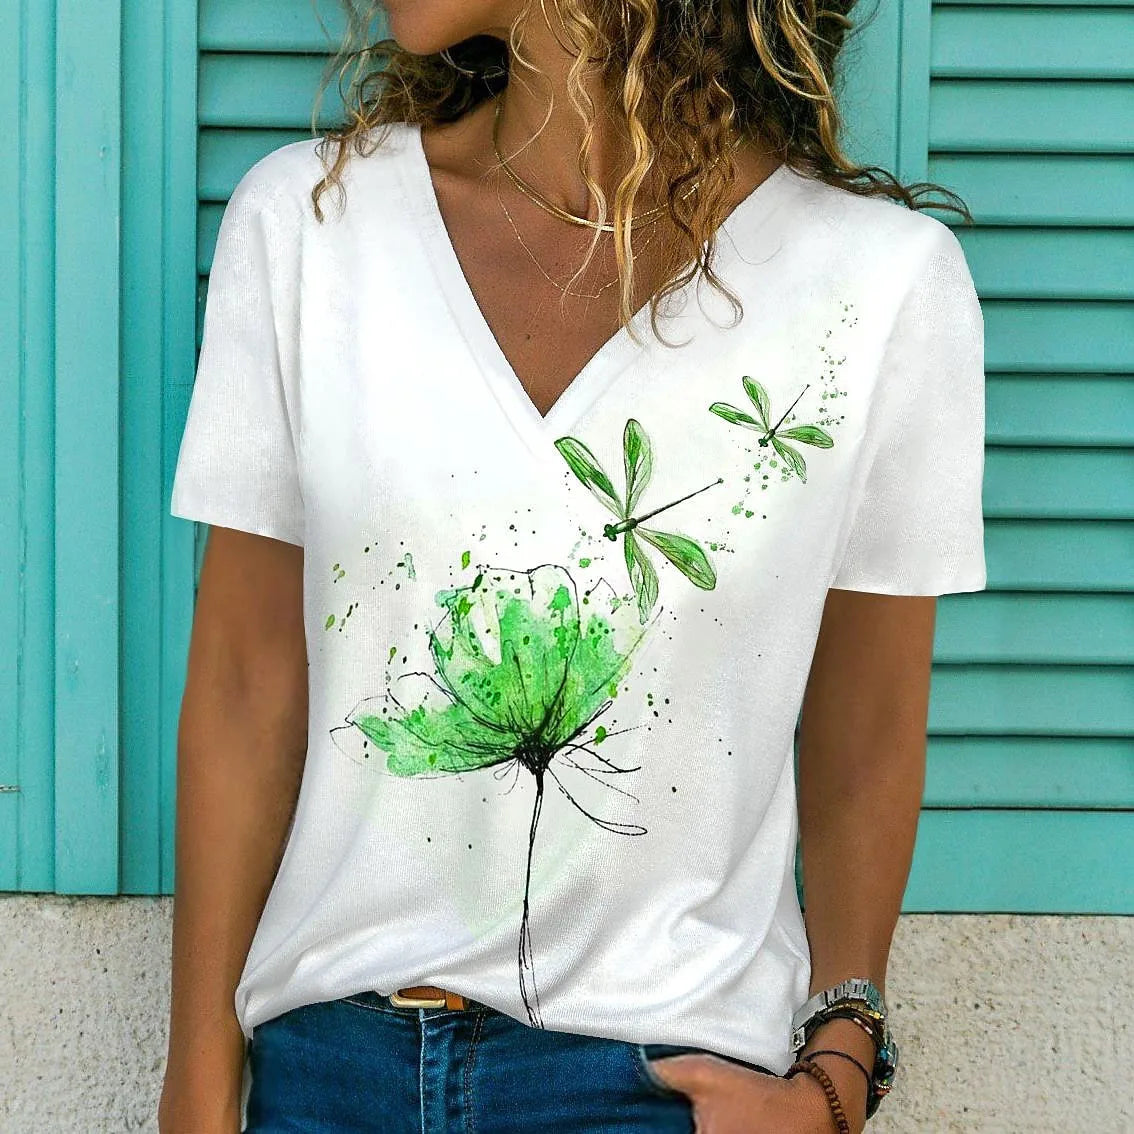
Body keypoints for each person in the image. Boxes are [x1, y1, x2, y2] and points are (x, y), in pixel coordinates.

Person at [158, 1, 986, 1131]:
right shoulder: (312, 223)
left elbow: (868, 730)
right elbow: (245, 689)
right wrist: (199, 1082)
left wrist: (836, 1077)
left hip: (658, 1080)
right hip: (327, 1072)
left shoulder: (879, 286)